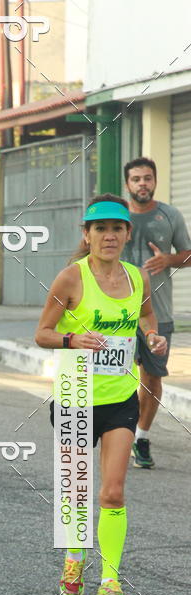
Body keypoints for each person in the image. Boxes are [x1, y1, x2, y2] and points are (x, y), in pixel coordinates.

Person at [35, 195, 167, 595]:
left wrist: (152, 336)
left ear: (128, 234)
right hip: (75, 394)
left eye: (116, 228)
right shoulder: (70, 279)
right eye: (100, 229)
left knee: (112, 490)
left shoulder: (137, 277)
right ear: (86, 234)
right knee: (75, 490)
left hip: (119, 398)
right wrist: (72, 340)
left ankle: (109, 581)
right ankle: (74, 559)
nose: (109, 236)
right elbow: (42, 333)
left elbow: (146, 317)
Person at [122, 156, 191, 468]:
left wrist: (168, 260)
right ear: (128, 184)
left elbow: (188, 255)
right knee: (114, 377)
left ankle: (141, 438)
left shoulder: (169, 215)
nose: (142, 184)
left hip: (158, 313)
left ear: (155, 181)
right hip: (115, 315)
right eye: (136, 179)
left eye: (147, 178)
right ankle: (115, 433)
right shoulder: (116, 216)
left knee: (151, 377)